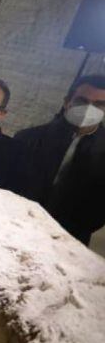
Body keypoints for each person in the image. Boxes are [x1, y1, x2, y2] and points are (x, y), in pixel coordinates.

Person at [14, 75, 105, 245]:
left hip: (69, 240)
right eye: (81, 100)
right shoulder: (28, 139)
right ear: (67, 102)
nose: (88, 109)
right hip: (16, 227)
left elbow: (99, 211)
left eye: (99, 104)